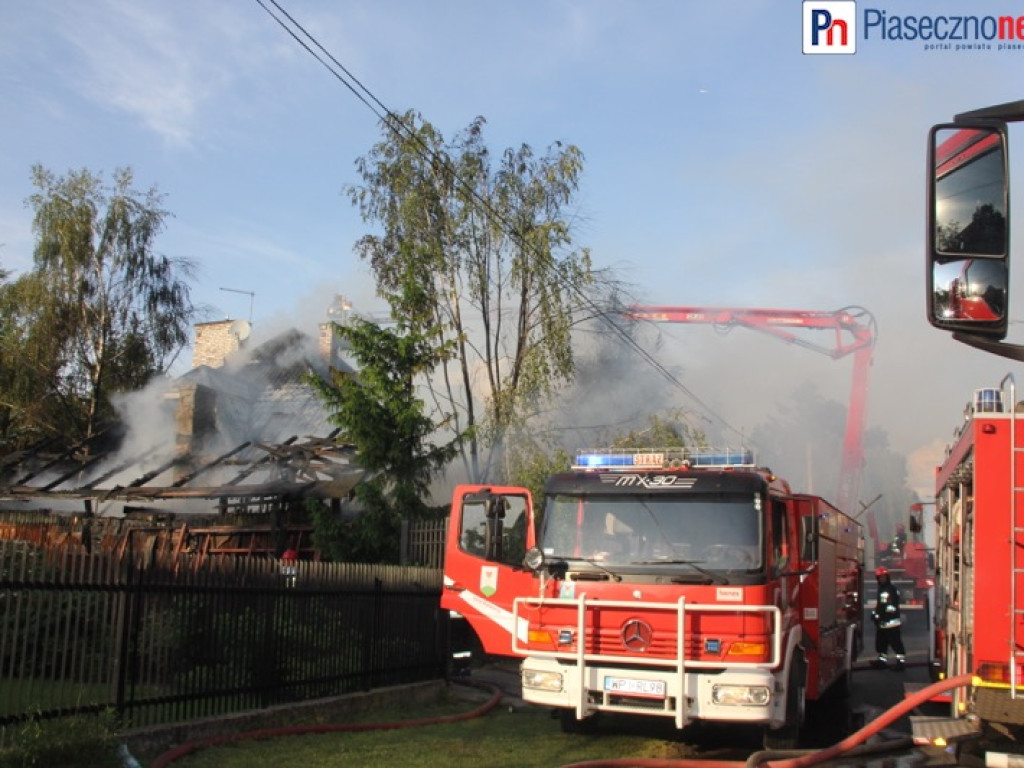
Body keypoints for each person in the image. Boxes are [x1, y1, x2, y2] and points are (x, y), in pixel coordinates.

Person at [871, 566, 906, 670]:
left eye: (883, 577)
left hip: (891, 622)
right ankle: (882, 662)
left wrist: (882, 616)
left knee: (895, 643)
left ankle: (900, 663)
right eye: (880, 577)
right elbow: (880, 605)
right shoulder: (881, 589)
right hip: (882, 622)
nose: (882, 579)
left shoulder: (891, 589)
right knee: (881, 643)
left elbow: (891, 606)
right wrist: (875, 615)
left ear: (887, 577)